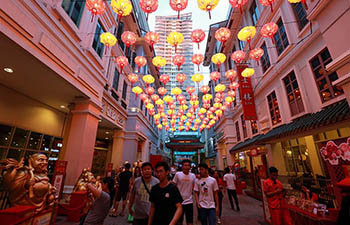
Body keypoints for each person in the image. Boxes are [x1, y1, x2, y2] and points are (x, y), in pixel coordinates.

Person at [173, 160, 196, 225]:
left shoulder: (193, 175)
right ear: (182, 167)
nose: (187, 167)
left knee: (190, 222)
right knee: (179, 222)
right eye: (185, 165)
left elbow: (196, 186)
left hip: (189, 201)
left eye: (188, 165)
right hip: (179, 202)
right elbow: (173, 185)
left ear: (190, 167)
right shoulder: (178, 174)